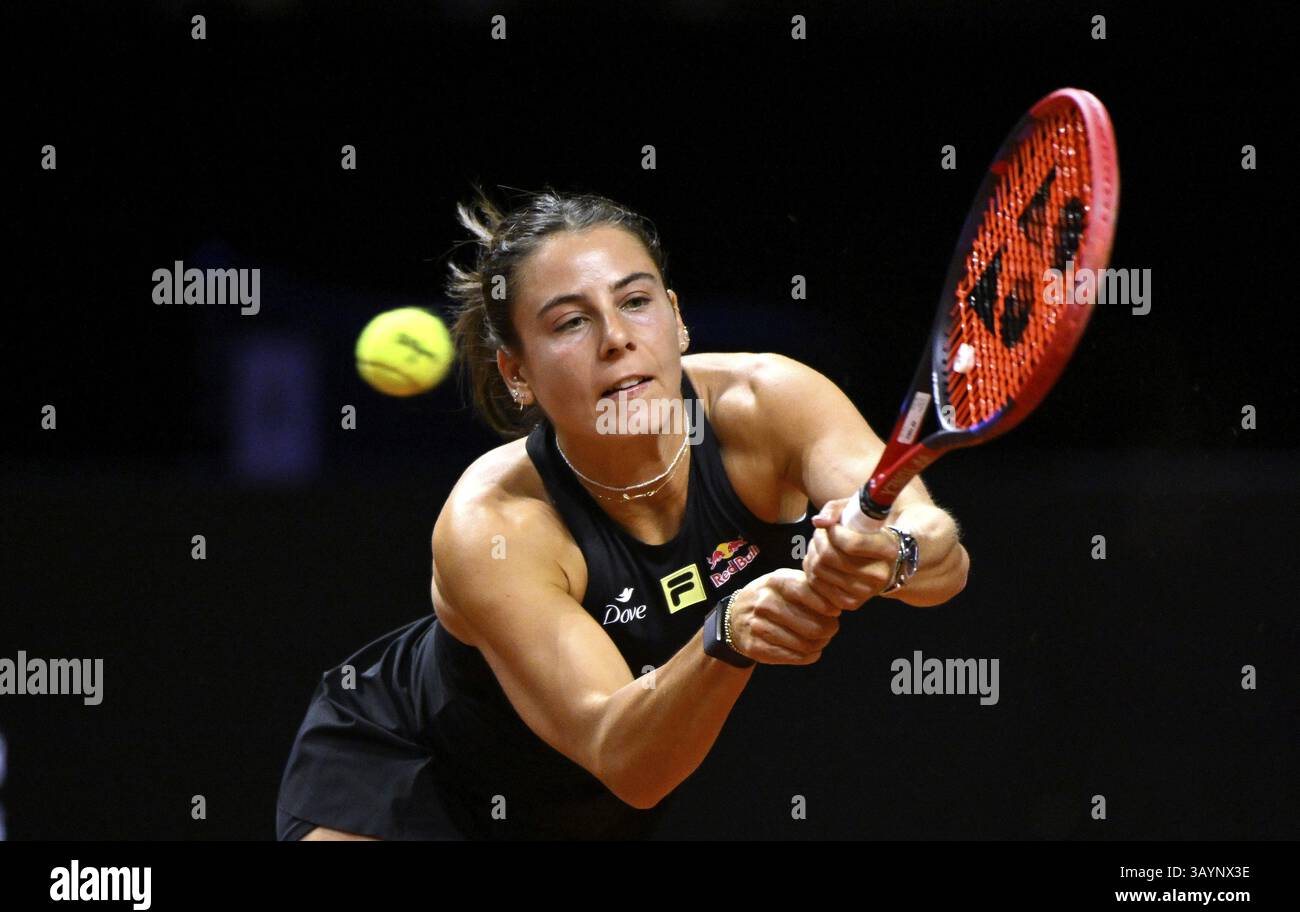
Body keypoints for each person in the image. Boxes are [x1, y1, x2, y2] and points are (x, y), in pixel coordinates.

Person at [275, 187, 969, 840]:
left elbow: (942, 558)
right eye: (571, 321)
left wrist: (895, 555)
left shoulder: (768, 405)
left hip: (584, 815)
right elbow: (630, 762)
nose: (615, 337)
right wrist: (724, 634)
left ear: (676, 317)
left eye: (635, 301)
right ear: (516, 373)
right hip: (412, 778)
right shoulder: (495, 522)